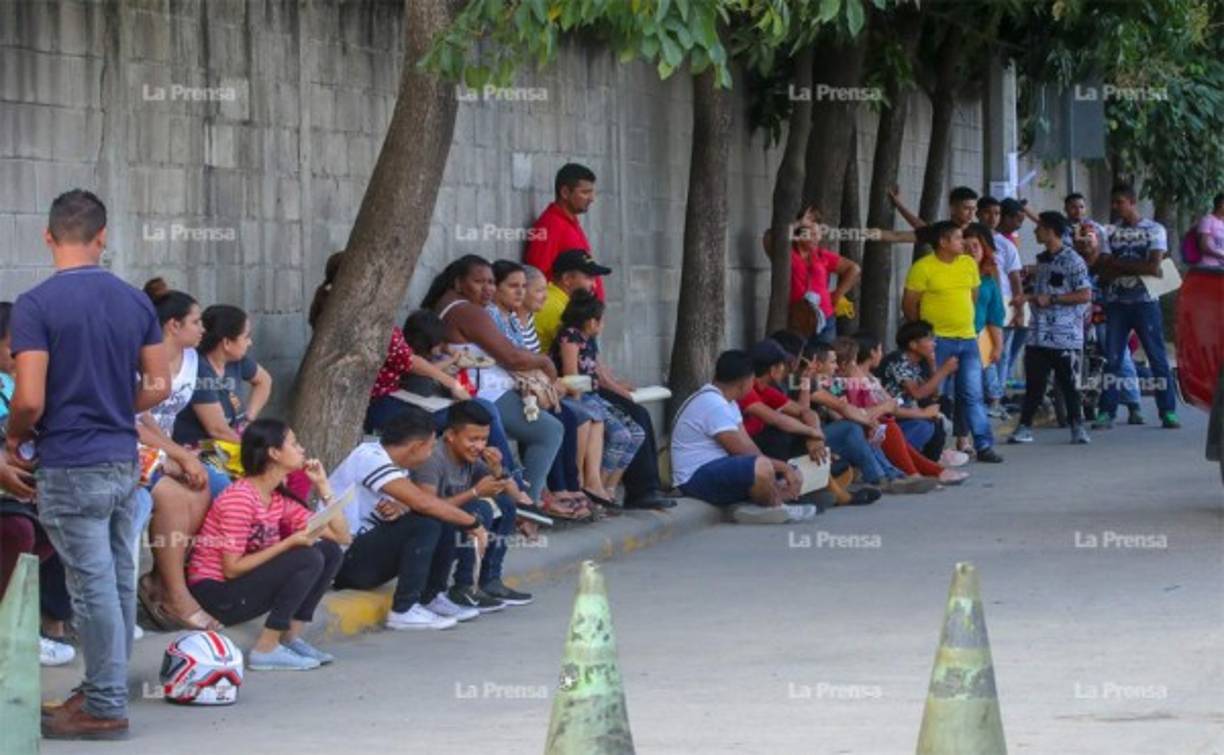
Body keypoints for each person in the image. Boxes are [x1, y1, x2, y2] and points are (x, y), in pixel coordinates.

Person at [7, 190, 170, 739]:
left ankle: (103, 703)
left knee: (93, 583)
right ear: (102, 238)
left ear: (49, 237)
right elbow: (158, 384)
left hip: (70, 461)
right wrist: (113, 406)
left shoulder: (35, 306)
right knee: (118, 576)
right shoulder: (134, 302)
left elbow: (28, 398)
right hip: (122, 459)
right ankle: (106, 688)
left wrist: (13, 437)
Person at [186, 419, 348, 670]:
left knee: (329, 552)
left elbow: (341, 536)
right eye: (294, 444)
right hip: (218, 593)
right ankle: (265, 648)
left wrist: (323, 485)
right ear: (273, 453)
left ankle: (290, 638)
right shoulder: (240, 498)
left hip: (243, 585)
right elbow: (231, 569)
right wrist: (287, 545)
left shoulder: (276, 499)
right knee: (307, 557)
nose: (302, 450)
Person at [331, 406, 492, 630]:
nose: (432, 453)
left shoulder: (397, 466)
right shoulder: (369, 456)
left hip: (365, 554)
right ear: (417, 447)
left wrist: (401, 507)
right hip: (342, 562)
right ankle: (404, 609)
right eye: (431, 447)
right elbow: (423, 502)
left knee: (437, 515)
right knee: (428, 519)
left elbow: (412, 502)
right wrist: (473, 524)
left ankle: (430, 597)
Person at [422, 255, 564, 506]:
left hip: (480, 391)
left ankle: (533, 494)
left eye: (491, 282)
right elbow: (511, 357)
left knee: (558, 420)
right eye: (479, 282)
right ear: (458, 283)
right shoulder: (467, 311)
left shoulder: (454, 304)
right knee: (550, 430)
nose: (487, 288)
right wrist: (546, 363)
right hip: (484, 394)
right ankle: (525, 503)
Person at [135, 281, 219, 631]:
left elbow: (149, 417)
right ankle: (177, 594)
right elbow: (131, 419)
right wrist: (176, 456)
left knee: (201, 488)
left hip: (160, 446)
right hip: (130, 448)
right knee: (170, 497)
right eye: (196, 321)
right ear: (173, 324)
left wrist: (181, 456)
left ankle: (160, 582)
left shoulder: (191, 360)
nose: (203, 328)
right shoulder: (136, 356)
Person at [0, 303, 75, 667]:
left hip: (20, 486)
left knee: (67, 515)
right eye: (12, 346)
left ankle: (50, 624)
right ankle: (13, 631)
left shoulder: (17, 382)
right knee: (17, 530)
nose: (20, 355)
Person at [492, 261, 593, 520]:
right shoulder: (492, 316)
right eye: (514, 286)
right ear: (497, 288)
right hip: (498, 392)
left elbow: (528, 360)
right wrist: (546, 376)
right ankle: (536, 501)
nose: (520, 292)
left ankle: (558, 490)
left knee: (571, 416)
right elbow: (516, 360)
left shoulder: (513, 319)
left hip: (520, 389)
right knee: (554, 424)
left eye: (524, 287)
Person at [669, 350, 818, 524]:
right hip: (694, 480)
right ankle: (774, 507)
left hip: (717, 469)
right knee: (764, 467)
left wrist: (778, 472)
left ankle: (758, 506)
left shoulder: (728, 402)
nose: (753, 384)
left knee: (777, 472)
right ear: (744, 381)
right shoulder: (713, 404)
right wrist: (782, 468)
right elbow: (742, 452)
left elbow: (749, 445)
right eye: (752, 379)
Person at [413, 400, 533, 612]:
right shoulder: (432, 459)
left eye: (484, 439)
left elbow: (514, 497)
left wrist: (497, 469)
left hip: (454, 532)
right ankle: (463, 586)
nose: (479, 446)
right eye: (473, 439)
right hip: (429, 536)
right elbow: (425, 506)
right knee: (478, 508)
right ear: (450, 435)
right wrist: (475, 492)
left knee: (504, 504)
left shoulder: (471, 457)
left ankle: (489, 581)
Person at [902, 221, 1003, 462]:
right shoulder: (922, 267)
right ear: (943, 242)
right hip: (937, 342)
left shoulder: (968, 264)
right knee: (933, 394)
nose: (964, 243)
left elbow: (973, 296)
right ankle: (930, 446)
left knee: (972, 395)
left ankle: (984, 445)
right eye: (958, 238)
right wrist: (923, 334)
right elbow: (909, 304)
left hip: (968, 339)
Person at [1094, 183, 1180, 429]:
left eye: (1119, 202)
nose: (1115, 207)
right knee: (1112, 359)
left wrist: (1117, 264)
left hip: (1145, 303)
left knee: (1157, 357)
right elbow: (1104, 266)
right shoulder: (1110, 232)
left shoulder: (1155, 230)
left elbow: (1154, 267)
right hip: (1117, 303)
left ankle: (1168, 412)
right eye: (1113, 203)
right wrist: (1133, 264)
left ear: (1132, 202)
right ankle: (1106, 411)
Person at [802, 340, 937, 494]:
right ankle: (882, 478)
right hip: (809, 438)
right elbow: (842, 408)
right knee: (854, 426)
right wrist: (867, 420)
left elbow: (843, 411)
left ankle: (893, 476)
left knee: (860, 426)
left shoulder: (833, 383)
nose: (837, 366)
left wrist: (867, 422)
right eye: (832, 362)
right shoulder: (803, 383)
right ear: (817, 364)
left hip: (824, 432)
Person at [551, 290, 645, 505]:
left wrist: (623, 391)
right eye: (601, 320)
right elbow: (571, 376)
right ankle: (593, 487)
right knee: (621, 435)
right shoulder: (570, 337)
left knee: (637, 434)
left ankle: (608, 487)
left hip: (594, 397)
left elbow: (601, 373)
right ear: (591, 321)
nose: (603, 325)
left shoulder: (590, 339)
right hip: (580, 397)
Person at [1009, 212, 1094, 444]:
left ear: (1050, 231)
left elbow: (1085, 294)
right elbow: (1041, 292)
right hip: (1038, 333)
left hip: (1064, 334)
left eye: (1039, 228)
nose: (1035, 232)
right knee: (1035, 383)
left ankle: (1078, 427)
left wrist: (1053, 299)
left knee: (1068, 383)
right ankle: (1024, 427)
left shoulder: (1073, 260)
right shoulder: (1043, 260)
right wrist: (1027, 297)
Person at [835, 337, 967, 485]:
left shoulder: (868, 378)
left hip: (877, 423)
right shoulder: (843, 382)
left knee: (922, 424)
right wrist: (922, 412)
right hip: (872, 426)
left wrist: (932, 364)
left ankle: (929, 470)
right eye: (879, 350)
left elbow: (891, 404)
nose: (882, 353)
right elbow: (850, 411)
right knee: (896, 426)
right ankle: (916, 473)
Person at [1062, 196, 1145, 426]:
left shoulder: (1106, 255)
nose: (1085, 245)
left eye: (1089, 241)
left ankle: (1134, 404)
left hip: (1105, 310)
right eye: (1081, 243)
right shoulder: (1066, 251)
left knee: (1116, 352)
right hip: (1073, 311)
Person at [173, 304, 273, 473]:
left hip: (230, 445)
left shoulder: (237, 360)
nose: (250, 342)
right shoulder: (199, 369)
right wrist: (261, 454)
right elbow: (217, 430)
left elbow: (264, 381)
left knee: (291, 473)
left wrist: (249, 419)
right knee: (267, 472)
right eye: (246, 336)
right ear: (226, 342)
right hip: (200, 452)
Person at [762, 204, 861, 339]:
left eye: (819, 234)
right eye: (812, 234)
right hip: (799, 320)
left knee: (826, 358)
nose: (817, 238)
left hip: (826, 319)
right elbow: (769, 238)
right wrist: (798, 224)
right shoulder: (787, 254)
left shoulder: (821, 255)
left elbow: (854, 269)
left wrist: (836, 295)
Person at [877, 320, 964, 466]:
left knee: (943, 406)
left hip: (911, 407)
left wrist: (932, 365)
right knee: (929, 423)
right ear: (913, 345)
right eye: (929, 339)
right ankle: (919, 460)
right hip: (894, 412)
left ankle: (931, 459)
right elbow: (917, 393)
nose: (933, 344)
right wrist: (944, 371)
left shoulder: (920, 362)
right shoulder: (898, 360)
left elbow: (933, 393)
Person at [525, 162, 606, 301]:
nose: (592, 198)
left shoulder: (571, 222)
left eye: (592, 192)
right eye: (585, 192)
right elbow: (537, 275)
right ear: (565, 193)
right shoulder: (548, 225)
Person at [975, 197, 1024, 408]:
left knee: (1000, 353)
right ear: (978, 214)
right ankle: (984, 395)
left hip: (1002, 305)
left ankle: (996, 397)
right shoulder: (968, 242)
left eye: (996, 213)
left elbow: (1015, 280)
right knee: (981, 350)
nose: (992, 218)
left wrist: (1019, 309)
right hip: (977, 304)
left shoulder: (1006, 245)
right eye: (987, 213)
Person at [961, 224, 1007, 424]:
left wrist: (998, 345)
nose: (972, 251)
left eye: (976, 246)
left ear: (984, 250)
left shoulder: (988, 281)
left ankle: (992, 405)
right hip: (952, 337)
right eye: (967, 246)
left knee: (983, 380)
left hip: (979, 337)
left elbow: (995, 317)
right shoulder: (954, 277)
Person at [534, 248, 608, 353]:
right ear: (567, 279)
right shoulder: (557, 308)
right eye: (589, 278)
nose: (594, 285)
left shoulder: (555, 297)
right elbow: (575, 359)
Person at [1194, 193, 1224, 268]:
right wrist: (1221, 256)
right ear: (1221, 205)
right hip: (1209, 266)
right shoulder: (1207, 220)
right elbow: (1203, 246)